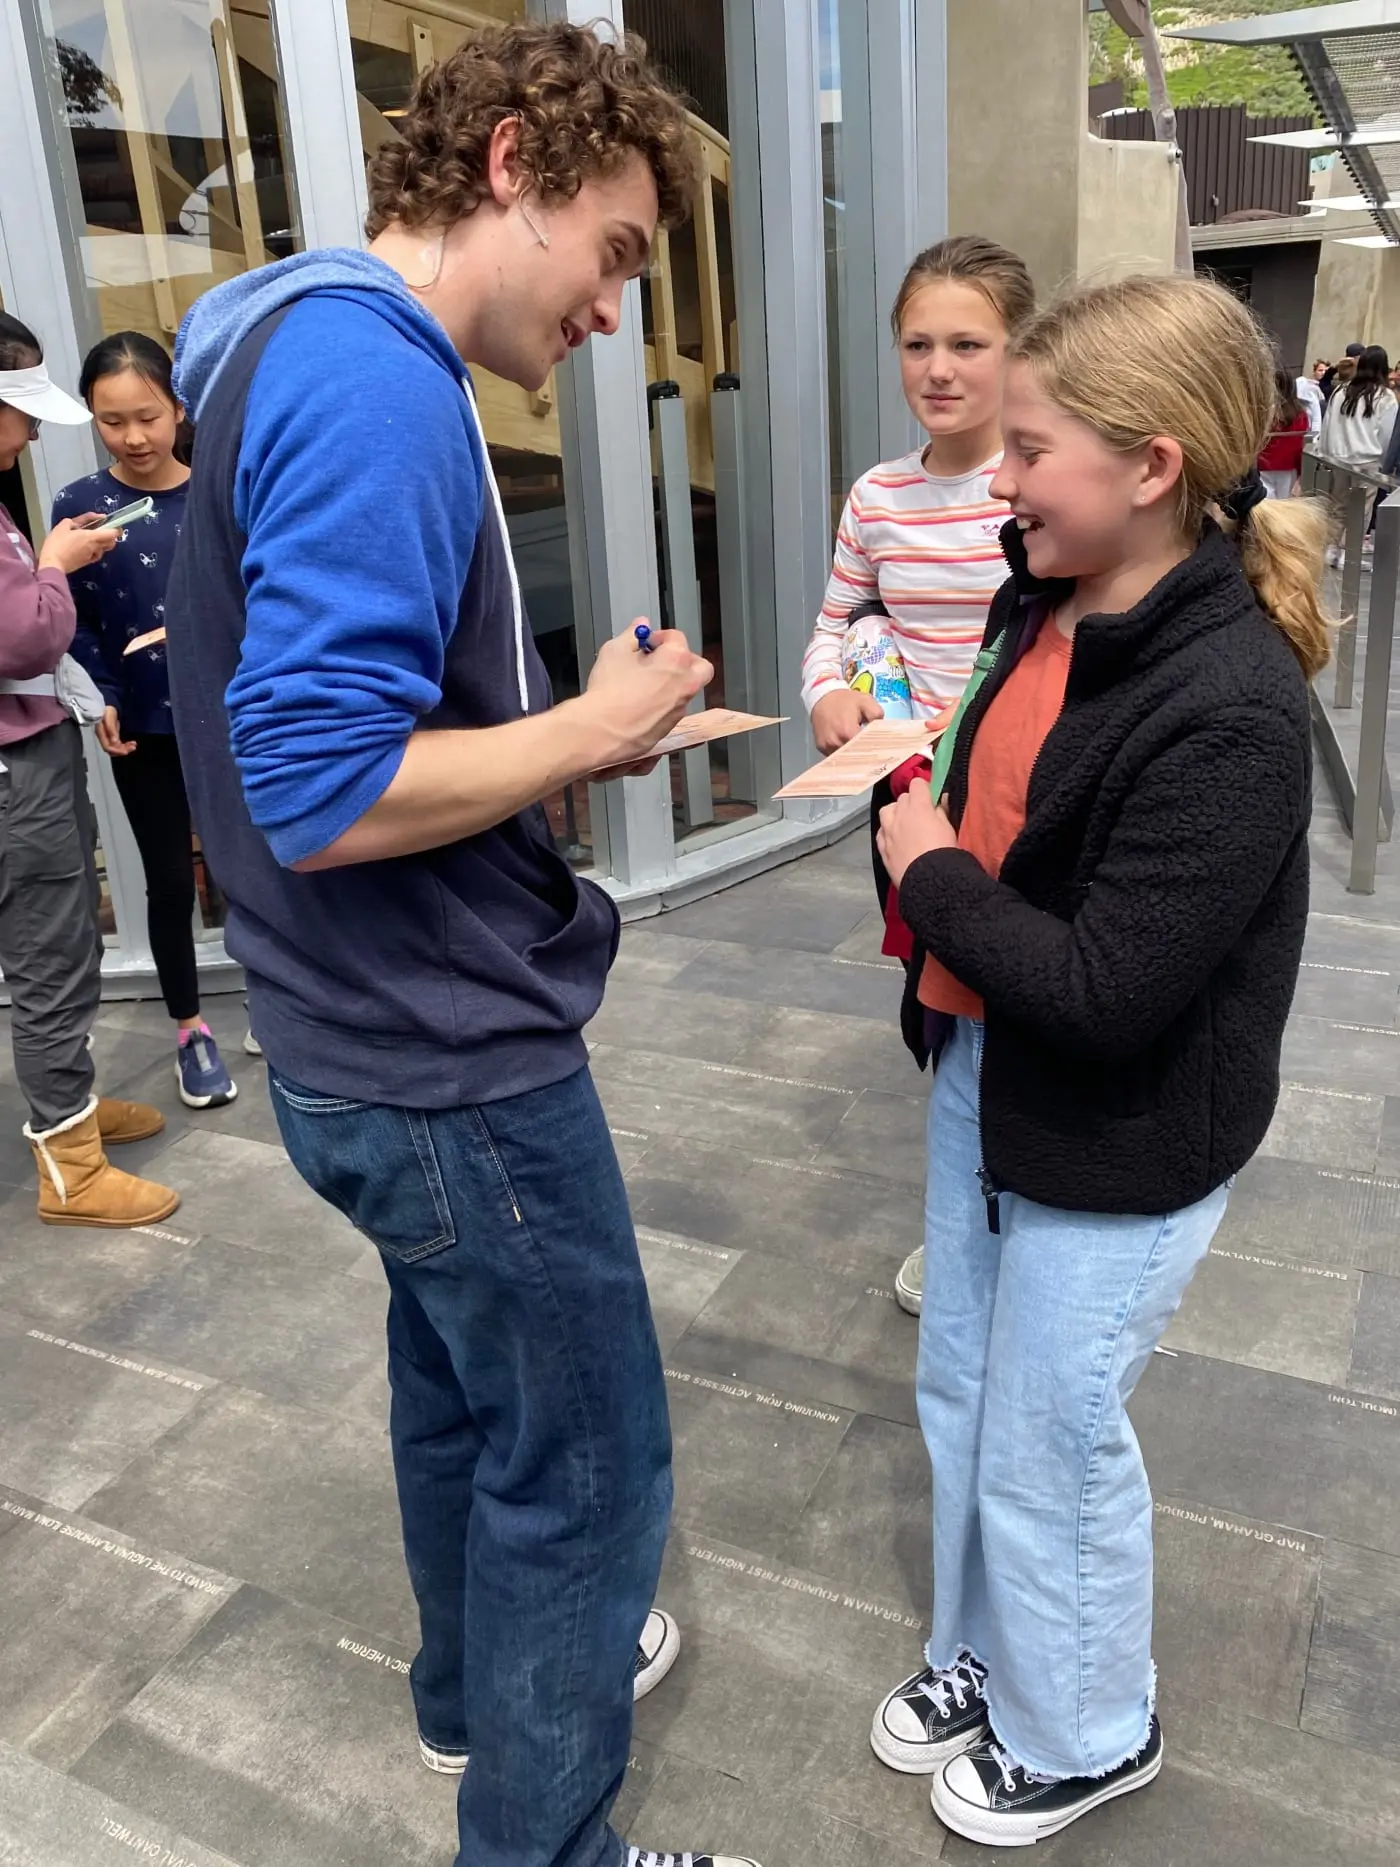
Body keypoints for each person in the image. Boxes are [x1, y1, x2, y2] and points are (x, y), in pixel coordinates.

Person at [163, 23, 757, 1867]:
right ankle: (547, 1839)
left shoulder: (276, 328)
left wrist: (558, 727)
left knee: (459, 1390)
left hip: (349, 1037)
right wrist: (593, 732)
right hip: (444, 1054)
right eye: (621, 254)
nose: (613, 306)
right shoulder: (376, 381)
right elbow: (328, 786)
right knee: (586, 1471)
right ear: (515, 164)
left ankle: (466, 1698)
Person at [870, 275, 1324, 1848]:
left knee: (1055, 1434)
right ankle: (984, 1649)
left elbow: (1111, 990)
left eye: (1032, 447)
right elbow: (998, 809)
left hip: (1116, 1129)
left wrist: (921, 863)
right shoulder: (1039, 592)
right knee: (967, 1389)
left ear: (1149, 467)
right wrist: (911, 780)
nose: (997, 479)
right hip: (983, 1077)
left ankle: (1087, 1729)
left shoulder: (1232, 709)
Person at [801, 233, 1035, 1317]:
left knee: (1022, 1002)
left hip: (1023, 800)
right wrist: (828, 699)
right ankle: (967, 1211)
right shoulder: (878, 496)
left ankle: (1012, 1216)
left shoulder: (1038, 485)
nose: (938, 368)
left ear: (1018, 349)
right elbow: (837, 623)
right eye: (915, 342)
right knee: (934, 1011)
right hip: (905, 797)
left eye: (967, 343)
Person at [0, 311, 179, 1227]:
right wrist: (61, 564)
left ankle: (65, 1109)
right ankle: (68, 1162)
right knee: (45, 956)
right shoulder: (59, 507)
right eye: (18, 409)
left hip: (32, 754)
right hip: (13, 774)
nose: (31, 430)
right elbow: (23, 631)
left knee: (61, 945)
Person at [53, 332, 238, 1110]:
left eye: (148, 416)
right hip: (144, 727)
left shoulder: (223, 494)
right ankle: (191, 1030)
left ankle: (284, 998)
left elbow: (254, 598)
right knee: (169, 880)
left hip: (235, 712)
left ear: (179, 408)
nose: (133, 437)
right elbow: (77, 619)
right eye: (111, 420)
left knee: (256, 865)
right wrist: (103, 693)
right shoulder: (77, 507)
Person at [1320, 342, 1397, 471]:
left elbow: (1327, 425)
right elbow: (1387, 435)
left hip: (1337, 460)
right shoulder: (1385, 396)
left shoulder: (1340, 391)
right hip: (1367, 464)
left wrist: (1324, 455)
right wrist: (1382, 464)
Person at [1259, 366, 1309, 498]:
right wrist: (1301, 472)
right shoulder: (1300, 414)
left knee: (1266, 506)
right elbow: (1300, 446)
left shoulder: (1263, 411)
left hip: (1264, 465)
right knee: (1285, 505)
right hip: (1289, 467)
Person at [1295, 362, 1323, 435]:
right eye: (1320, 370)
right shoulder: (1293, 400)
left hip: (1309, 430)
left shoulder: (1312, 399)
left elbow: (1316, 419)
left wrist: (1314, 435)